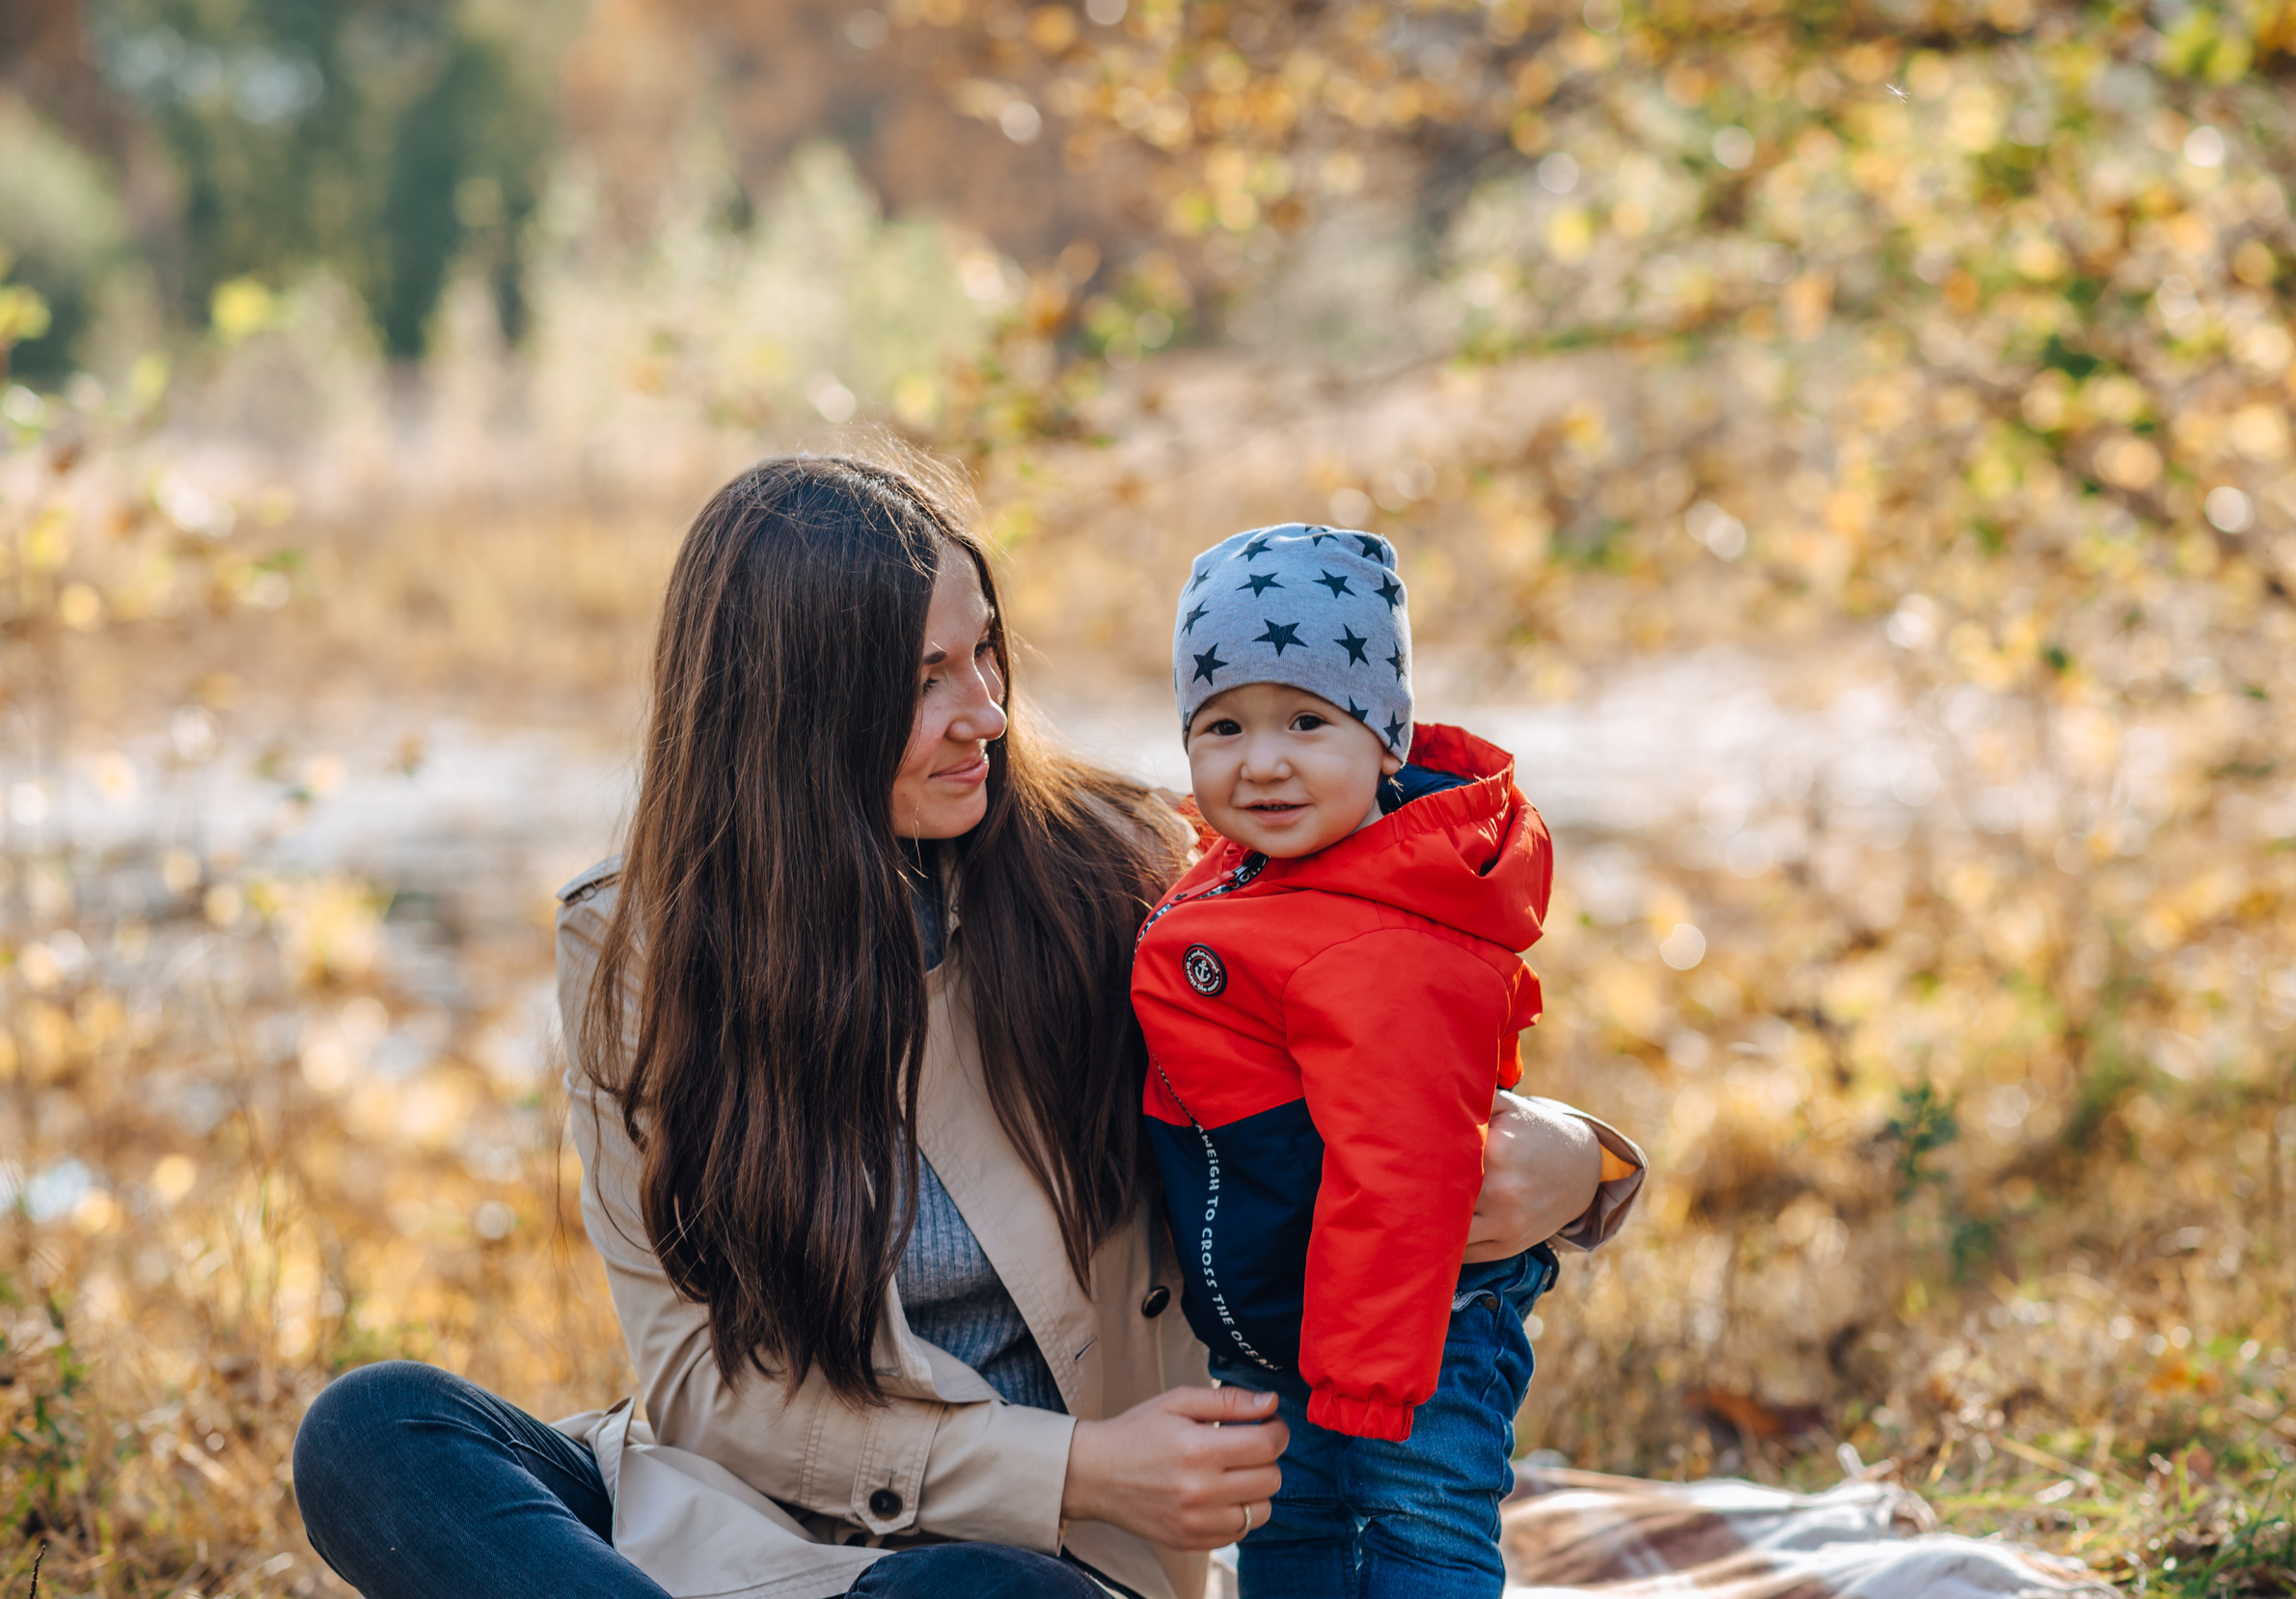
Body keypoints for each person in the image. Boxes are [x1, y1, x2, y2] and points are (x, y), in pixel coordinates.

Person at [290, 456, 1642, 1599]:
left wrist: (1585, 1162)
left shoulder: (1118, 866)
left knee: (967, 1591)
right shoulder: (640, 949)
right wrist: (1067, 1461)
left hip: (1034, 1559)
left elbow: (1397, 1022)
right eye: (927, 677)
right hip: (730, 1522)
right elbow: (695, 1381)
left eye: (985, 650)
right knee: (372, 1430)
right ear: (799, 708)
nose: (985, 711)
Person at [1137, 525, 1608, 1599]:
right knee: (1291, 1529)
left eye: (1306, 719)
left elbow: (1402, 1170)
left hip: (1413, 1327)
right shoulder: (1247, 875)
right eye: (1223, 725)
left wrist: (1360, 1386)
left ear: (1384, 737)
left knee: (1414, 1525)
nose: (1262, 759)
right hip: (1300, 1313)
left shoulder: (1384, 934)